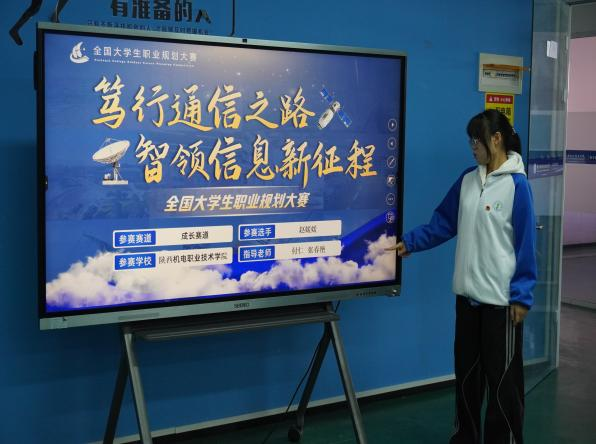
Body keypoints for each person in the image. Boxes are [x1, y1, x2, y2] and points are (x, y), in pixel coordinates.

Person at [389, 109, 537, 444]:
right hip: (467, 301)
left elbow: (526, 244)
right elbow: (443, 222)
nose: (472, 147)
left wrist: (522, 295)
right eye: (470, 141)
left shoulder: (517, 186)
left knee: (503, 385)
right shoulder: (468, 180)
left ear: (495, 139)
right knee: (467, 380)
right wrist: (410, 242)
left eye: (476, 140)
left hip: (502, 304)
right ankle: (465, 438)